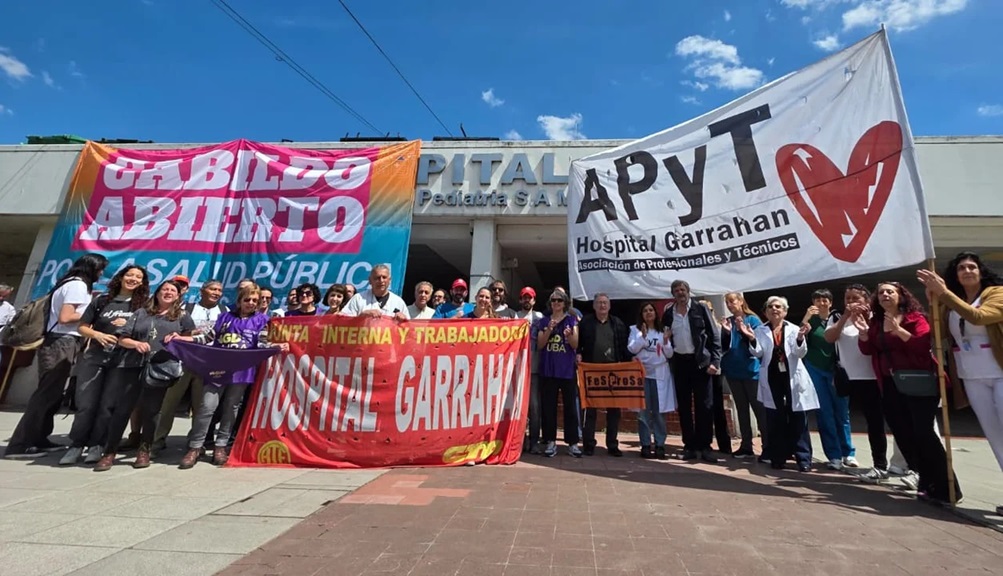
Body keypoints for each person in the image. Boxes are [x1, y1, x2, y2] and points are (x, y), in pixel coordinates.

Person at [856, 282, 962, 506]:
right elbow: (868, 350)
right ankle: (925, 481)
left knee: (923, 433)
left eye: (890, 291)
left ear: (901, 296)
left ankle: (947, 487)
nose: (885, 295)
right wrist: (864, 335)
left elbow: (922, 346)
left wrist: (899, 330)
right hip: (890, 383)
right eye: (881, 292)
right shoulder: (876, 322)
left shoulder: (915, 318)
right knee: (903, 433)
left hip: (919, 382)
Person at [919, 252, 1001, 513]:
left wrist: (944, 294)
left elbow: (979, 317)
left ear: (981, 271)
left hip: (999, 371)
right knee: (994, 436)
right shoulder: (951, 302)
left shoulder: (996, 293)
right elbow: (938, 333)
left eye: (971, 267)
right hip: (971, 374)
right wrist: (933, 302)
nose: (967, 271)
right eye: (961, 268)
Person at [6, 253, 108, 458]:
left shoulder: (69, 283)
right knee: (45, 394)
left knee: (52, 395)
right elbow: (66, 316)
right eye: (100, 269)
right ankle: (20, 444)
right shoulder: (77, 285)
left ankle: (39, 439)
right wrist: (95, 314)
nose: (101, 273)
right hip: (62, 341)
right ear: (91, 268)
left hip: (63, 341)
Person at [181, 284, 288, 468]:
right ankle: (195, 447)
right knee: (207, 407)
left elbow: (261, 344)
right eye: (247, 299)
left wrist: (276, 346)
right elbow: (207, 338)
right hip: (218, 369)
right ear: (239, 301)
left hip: (242, 372)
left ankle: (221, 446)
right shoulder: (224, 317)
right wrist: (182, 339)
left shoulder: (262, 320)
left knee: (231, 409)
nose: (251, 303)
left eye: (255, 300)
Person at [95, 280, 196, 471]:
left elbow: (190, 339)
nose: (168, 292)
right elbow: (122, 338)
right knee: (122, 409)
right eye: (164, 289)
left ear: (178, 296)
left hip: (161, 368)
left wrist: (180, 338)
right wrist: (136, 344)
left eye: (172, 290)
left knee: (152, 411)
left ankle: (144, 450)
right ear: (157, 293)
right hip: (132, 365)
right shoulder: (141, 313)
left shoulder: (182, 316)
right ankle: (109, 452)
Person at [60, 265, 149, 466]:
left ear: (142, 282)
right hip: (95, 357)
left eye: (138, 277)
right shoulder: (102, 300)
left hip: (122, 361)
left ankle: (97, 444)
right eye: (129, 275)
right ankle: (76, 444)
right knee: (86, 403)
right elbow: (82, 327)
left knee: (107, 405)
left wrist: (129, 327)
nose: (133, 279)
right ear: (121, 277)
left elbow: (147, 330)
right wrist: (97, 334)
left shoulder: (143, 305)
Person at [824, 284, 890, 482]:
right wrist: (845, 317)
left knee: (875, 422)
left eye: (856, 298)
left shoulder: (876, 316)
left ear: (866, 300)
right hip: (848, 377)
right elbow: (829, 337)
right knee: (841, 415)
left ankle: (880, 465)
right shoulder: (837, 317)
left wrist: (867, 318)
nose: (851, 302)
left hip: (872, 377)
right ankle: (841, 454)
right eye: (848, 298)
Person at [151, 279, 226, 451]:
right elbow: (174, 330)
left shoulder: (224, 311)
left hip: (207, 365)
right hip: (183, 362)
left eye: (219, 290)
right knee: (169, 404)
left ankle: (194, 444)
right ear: (202, 291)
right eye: (213, 289)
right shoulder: (186, 308)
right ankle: (157, 440)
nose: (216, 293)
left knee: (201, 407)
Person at [747, 296, 818, 472]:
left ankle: (803, 458)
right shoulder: (760, 330)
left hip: (792, 376)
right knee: (775, 418)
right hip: (772, 377)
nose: (774, 309)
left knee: (798, 417)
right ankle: (778, 457)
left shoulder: (794, 329)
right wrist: (751, 338)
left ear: (785, 311)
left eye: (778, 307)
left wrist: (800, 338)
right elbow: (758, 353)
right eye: (770, 307)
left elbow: (799, 353)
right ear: (766, 312)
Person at [662, 280, 721, 463]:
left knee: (705, 406)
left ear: (688, 291)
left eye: (683, 289)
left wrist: (715, 361)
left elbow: (714, 335)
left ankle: (705, 446)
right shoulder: (669, 313)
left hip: (700, 363)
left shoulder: (700, 309)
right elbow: (666, 337)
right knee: (684, 406)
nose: (680, 292)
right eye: (676, 290)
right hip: (680, 363)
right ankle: (689, 446)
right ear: (673, 294)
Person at [802, 289, 857, 470]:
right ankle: (834, 455)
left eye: (825, 299)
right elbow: (798, 341)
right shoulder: (810, 321)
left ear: (831, 302)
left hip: (837, 370)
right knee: (824, 413)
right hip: (816, 369)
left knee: (842, 412)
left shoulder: (838, 317)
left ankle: (848, 453)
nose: (821, 302)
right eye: (817, 299)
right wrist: (805, 319)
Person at [577, 293, 629, 457]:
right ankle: (588, 444)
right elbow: (578, 343)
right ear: (594, 306)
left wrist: (629, 361)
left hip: (613, 373)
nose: (602, 305)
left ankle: (612, 444)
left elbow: (624, 346)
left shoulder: (617, 323)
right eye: (599, 303)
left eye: (605, 303)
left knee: (614, 411)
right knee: (590, 410)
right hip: (591, 372)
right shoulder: (586, 322)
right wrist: (578, 353)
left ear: (609, 305)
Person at [719, 292, 766, 460]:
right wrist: (726, 332)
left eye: (732, 301)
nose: (730, 305)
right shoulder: (728, 322)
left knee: (759, 409)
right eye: (727, 302)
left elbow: (759, 344)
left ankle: (768, 445)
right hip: (733, 370)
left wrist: (744, 332)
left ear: (740, 301)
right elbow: (723, 346)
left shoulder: (753, 320)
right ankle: (746, 446)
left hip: (751, 371)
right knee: (741, 409)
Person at [536, 289, 581, 457]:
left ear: (565, 303)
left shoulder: (571, 320)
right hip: (549, 369)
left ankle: (573, 443)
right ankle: (550, 441)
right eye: (553, 300)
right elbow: (540, 344)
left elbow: (575, 344)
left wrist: (569, 336)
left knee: (571, 408)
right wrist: (549, 329)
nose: (556, 303)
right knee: (548, 408)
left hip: (567, 370)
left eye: (559, 300)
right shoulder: (544, 320)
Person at [627, 301, 675, 460]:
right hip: (642, 374)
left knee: (659, 412)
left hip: (659, 375)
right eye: (645, 311)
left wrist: (666, 342)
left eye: (651, 310)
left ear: (655, 313)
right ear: (641, 314)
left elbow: (669, 354)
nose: (648, 313)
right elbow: (632, 349)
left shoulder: (663, 331)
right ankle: (645, 444)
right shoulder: (635, 330)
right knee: (643, 412)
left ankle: (660, 444)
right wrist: (642, 336)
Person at [517, 287, 544, 453]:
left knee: (534, 407)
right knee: (517, 407)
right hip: (517, 370)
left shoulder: (540, 317)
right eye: (524, 297)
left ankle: (534, 442)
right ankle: (519, 441)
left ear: (534, 301)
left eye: (530, 297)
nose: (527, 300)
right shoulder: (514, 317)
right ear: (520, 300)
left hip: (534, 368)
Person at [341, 265, 409, 320]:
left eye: (384, 277)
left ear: (390, 280)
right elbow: (343, 321)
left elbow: (409, 327)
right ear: (370, 280)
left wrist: (404, 320)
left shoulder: (398, 302)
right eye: (377, 278)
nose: (381, 281)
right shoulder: (358, 298)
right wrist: (361, 316)